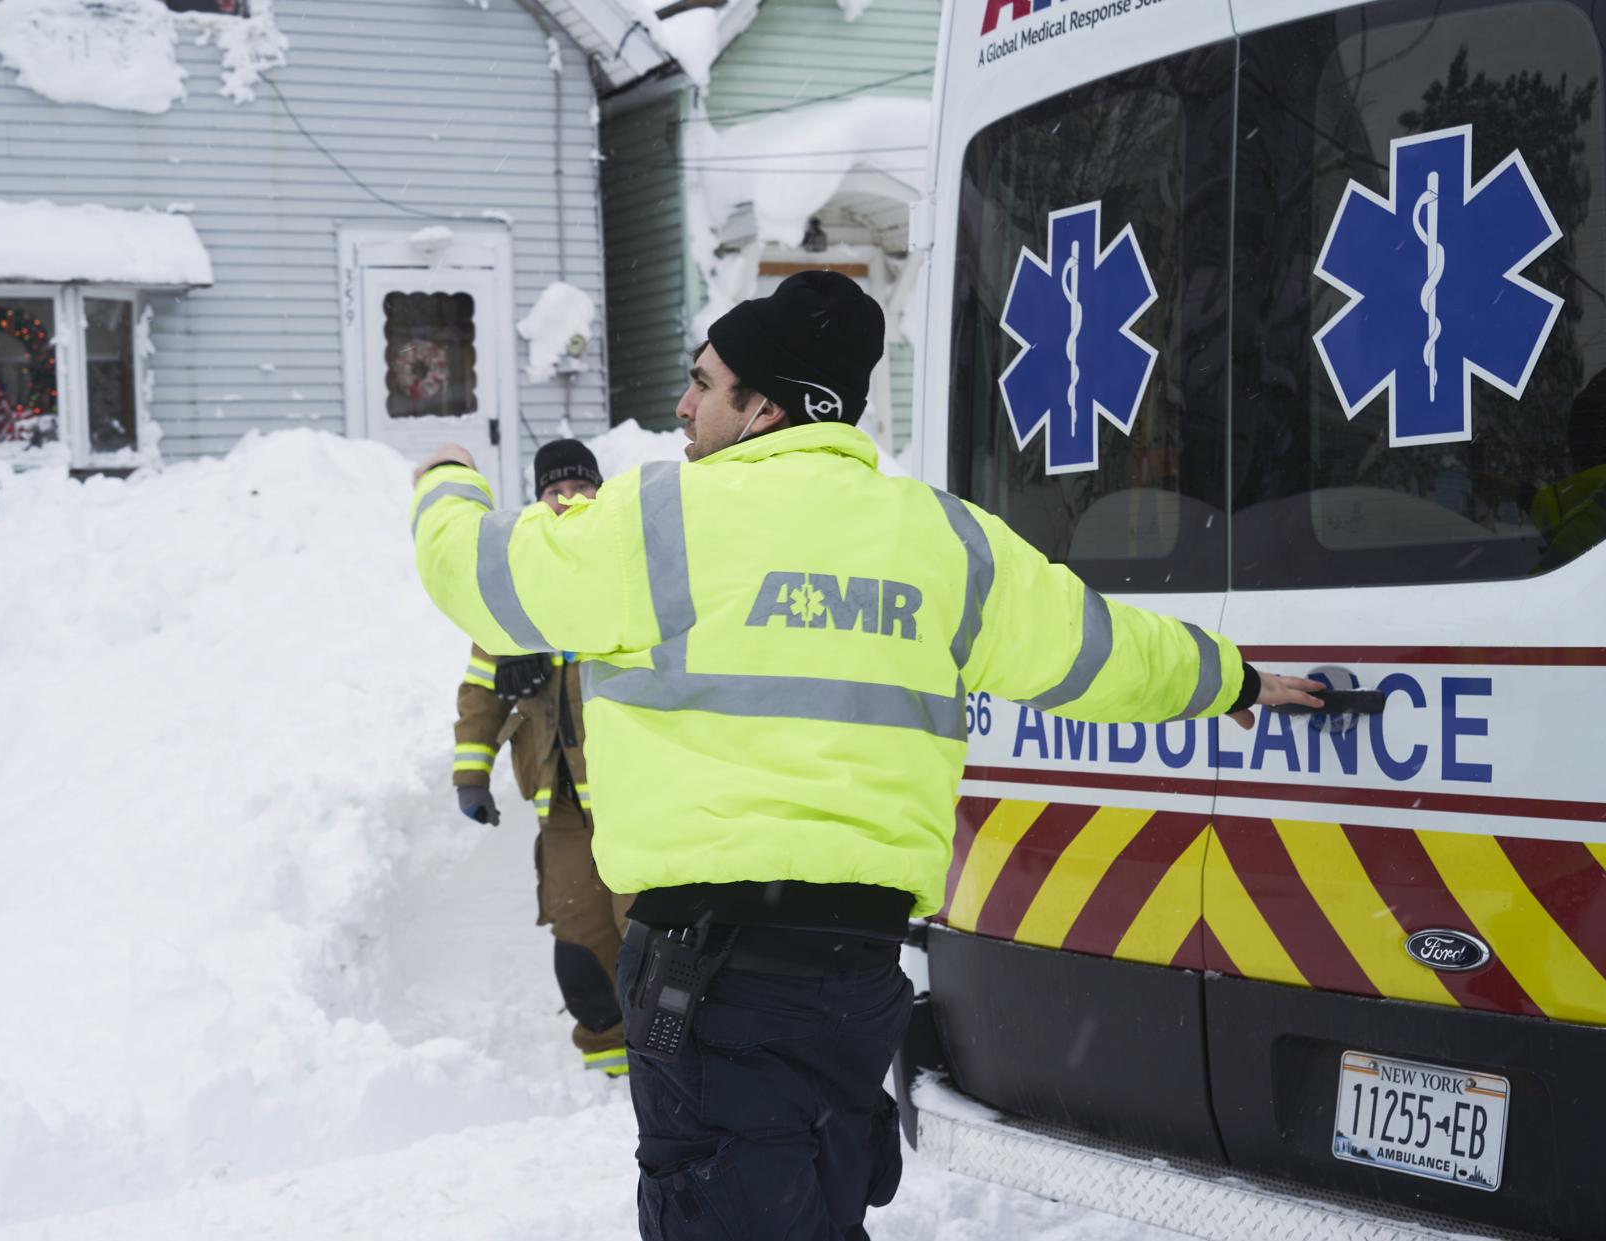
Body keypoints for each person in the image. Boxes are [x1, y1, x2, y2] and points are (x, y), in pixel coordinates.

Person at [408, 271, 1323, 1240]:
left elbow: (474, 573)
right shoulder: (941, 538)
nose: (682, 404)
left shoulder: (657, 521)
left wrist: (449, 475)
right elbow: (1093, 650)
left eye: (703, 381)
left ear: (764, 405)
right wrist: (1229, 679)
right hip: (856, 978)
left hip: (713, 975)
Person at [448, 439, 634, 1078]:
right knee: (581, 940)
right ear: (539, 496)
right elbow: (479, 686)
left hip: (634, 796)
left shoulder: (625, 563)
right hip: (560, 802)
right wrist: (471, 773)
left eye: (581, 485)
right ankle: (612, 1068)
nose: (569, 497)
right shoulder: (514, 581)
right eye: (557, 488)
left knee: (652, 937)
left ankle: (673, 1066)